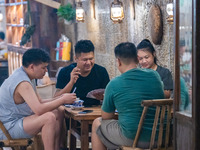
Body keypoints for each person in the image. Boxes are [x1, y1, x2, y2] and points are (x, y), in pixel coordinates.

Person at [92, 42, 164, 150]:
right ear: (137, 58)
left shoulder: (114, 84)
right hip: (160, 137)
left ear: (119, 61)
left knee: (97, 123)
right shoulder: (155, 75)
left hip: (132, 138)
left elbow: (106, 117)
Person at [0, 48, 76, 150]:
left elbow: (39, 102)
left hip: (19, 120)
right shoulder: (23, 83)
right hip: (8, 128)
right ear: (32, 67)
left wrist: (62, 97)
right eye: (43, 68)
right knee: (49, 117)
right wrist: (62, 100)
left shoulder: (26, 76)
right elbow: (39, 109)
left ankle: (58, 147)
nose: (46, 71)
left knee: (58, 111)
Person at [55, 40, 110, 106]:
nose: (88, 63)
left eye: (91, 59)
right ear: (76, 59)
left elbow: (109, 97)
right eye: (85, 60)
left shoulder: (101, 72)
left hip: (95, 111)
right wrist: (71, 82)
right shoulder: (65, 72)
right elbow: (56, 99)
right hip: (70, 112)